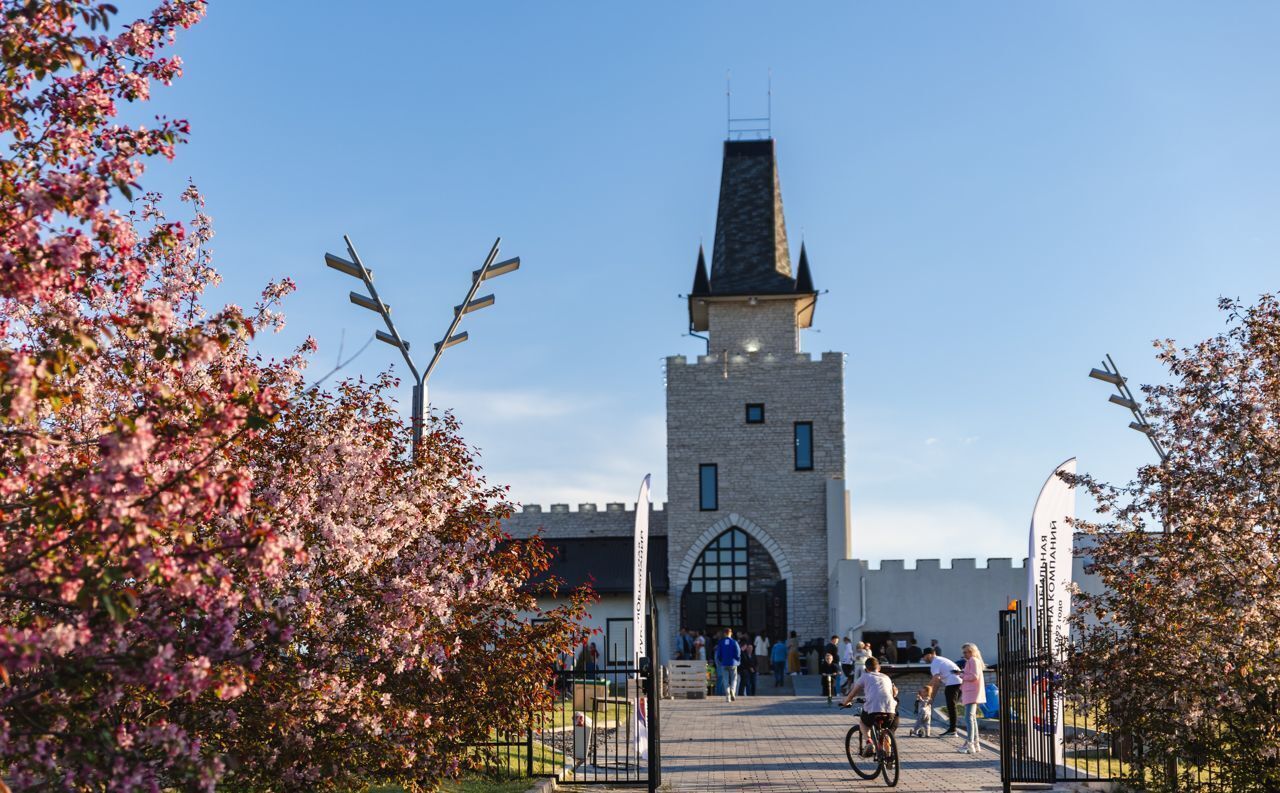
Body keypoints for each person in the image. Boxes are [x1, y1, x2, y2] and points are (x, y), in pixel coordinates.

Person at [840, 657, 900, 757]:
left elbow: (852, 694)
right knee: (886, 731)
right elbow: (894, 693)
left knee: (863, 723)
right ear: (879, 668)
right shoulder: (886, 677)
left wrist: (845, 702)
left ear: (866, 669)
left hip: (873, 710)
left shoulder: (865, 676)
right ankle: (889, 757)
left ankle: (869, 742)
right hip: (890, 711)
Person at [922, 646, 963, 736]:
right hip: (959, 682)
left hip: (953, 683)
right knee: (952, 707)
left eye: (924, 656)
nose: (923, 659)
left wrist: (925, 690)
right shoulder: (940, 660)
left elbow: (935, 679)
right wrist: (931, 698)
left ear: (929, 655)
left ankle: (953, 730)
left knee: (951, 707)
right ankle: (953, 729)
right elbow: (937, 683)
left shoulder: (935, 663)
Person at [958, 643, 987, 754]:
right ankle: (975, 743)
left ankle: (969, 743)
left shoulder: (972, 661)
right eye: (964, 652)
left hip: (971, 692)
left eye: (966, 652)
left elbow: (974, 676)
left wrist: (961, 675)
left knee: (969, 718)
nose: (964, 654)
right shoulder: (974, 661)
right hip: (972, 692)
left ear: (971, 651)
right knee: (972, 718)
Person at [715, 628, 742, 702]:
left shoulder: (721, 642)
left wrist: (721, 660)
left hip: (724, 663)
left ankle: (727, 695)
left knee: (725, 679)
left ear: (724, 633)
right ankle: (732, 691)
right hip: (733, 663)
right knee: (734, 678)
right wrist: (738, 660)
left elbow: (719, 654)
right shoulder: (734, 642)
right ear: (731, 633)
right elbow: (738, 652)